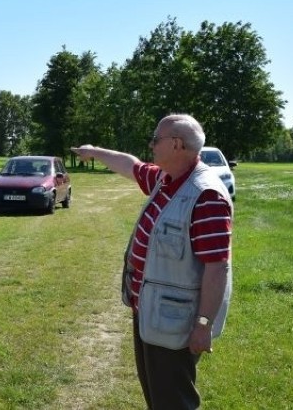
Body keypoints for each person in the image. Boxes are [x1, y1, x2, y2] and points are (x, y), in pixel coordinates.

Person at [72, 114, 233, 410]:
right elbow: (129, 165)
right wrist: (94, 151)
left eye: (156, 139)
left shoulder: (205, 195)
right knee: (158, 396)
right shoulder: (166, 178)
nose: (151, 145)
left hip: (176, 320)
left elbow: (217, 267)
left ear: (176, 144)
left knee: (173, 401)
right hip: (152, 311)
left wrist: (203, 325)